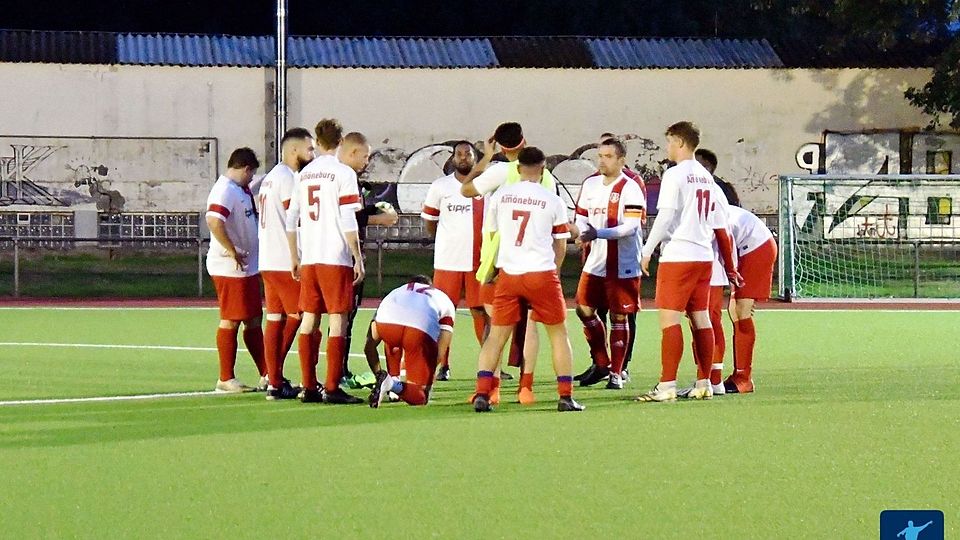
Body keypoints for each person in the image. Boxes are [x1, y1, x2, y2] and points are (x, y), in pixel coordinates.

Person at [472, 147, 583, 413]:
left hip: (509, 273)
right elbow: (561, 243)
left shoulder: (501, 196)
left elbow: (490, 235)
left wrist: (492, 267)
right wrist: (554, 271)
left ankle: (482, 394)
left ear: (518, 168)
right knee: (558, 334)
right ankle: (565, 396)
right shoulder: (551, 200)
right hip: (541, 273)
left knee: (496, 336)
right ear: (542, 169)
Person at [636, 122, 741, 402]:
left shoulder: (675, 174)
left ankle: (666, 384)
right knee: (701, 317)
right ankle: (703, 382)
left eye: (670, 142)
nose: (667, 148)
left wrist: (647, 249)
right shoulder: (709, 180)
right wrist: (730, 268)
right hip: (704, 258)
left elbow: (666, 215)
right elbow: (721, 228)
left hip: (679, 256)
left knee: (669, 319)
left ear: (680, 143)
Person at [461, 122, 563, 404]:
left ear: (501, 146)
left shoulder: (499, 171)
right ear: (524, 141)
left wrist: (483, 157)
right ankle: (526, 388)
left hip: (501, 260)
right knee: (531, 326)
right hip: (539, 262)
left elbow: (466, 190)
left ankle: (490, 389)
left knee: (497, 328)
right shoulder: (546, 177)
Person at [286, 124, 369, 404]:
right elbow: (348, 219)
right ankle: (332, 386)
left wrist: (295, 257)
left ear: (317, 141)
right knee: (338, 319)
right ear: (341, 141)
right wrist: (357, 256)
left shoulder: (304, 174)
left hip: (310, 256)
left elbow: (292, 219)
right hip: (335, 256)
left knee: (309, 318)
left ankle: (309, 386)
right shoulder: (344, 173)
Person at [573, 138, 645, 390]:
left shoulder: (630, 187)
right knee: (583, 308)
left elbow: (631, 226)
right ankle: (602, 362)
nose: (602, 160)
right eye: (600, 156)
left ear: (621, 160)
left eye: (608, 156)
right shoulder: (591, 183)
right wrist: (581, 231)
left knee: (619, 316)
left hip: (623, 263)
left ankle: (617, 372)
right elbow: (581, 216)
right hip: (595, 260)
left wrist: (599, 234)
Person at [421, 141, 490, 381]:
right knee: (443, 313)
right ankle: (443, 364)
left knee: (480, 311)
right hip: (448, 261)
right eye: (458, 154)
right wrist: (442, 238)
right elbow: (430, 220)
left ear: (474, 157)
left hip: (477, 262)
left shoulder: (485, 186)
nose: (463, 158)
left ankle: (489, 364)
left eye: (467, 154)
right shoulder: (441, 186)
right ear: (452, 159)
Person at [255, 128, 315, 400]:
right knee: (300, 316)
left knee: (275, 319)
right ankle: (277, 377)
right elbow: (296, 220)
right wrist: (299, 255)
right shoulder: (289, 178)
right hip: (284, 258)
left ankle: (274, 379)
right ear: (294, 151)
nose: (312, 154)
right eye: (309, 149)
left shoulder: (270, 178)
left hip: (268, 258)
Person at [205, 147, 267, 393]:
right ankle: (225, 377)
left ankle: (267, 373)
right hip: (230, 267)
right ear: (245, 169)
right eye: (251, 175)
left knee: (253, 319)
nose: (251, 179)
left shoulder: (239, 189)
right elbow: (213, 220)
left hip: (246, 266)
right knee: (231, 320)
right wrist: (230, 249)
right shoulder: (224, 190)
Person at [364, 275, 456, 407]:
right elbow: (440, 351)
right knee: (420, 397)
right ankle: (391, 383)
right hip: (418, 329)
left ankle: (390, 380)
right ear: (430, 286)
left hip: (387, 324)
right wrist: (427, 381)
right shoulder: (442, 298)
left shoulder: (396, 292)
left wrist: (378, 374)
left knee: (392, 340)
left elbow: (369, 347)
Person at [724, 205, 777, 394]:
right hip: (744, 249)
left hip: (756, 248)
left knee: (740, 309)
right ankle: (739, 374)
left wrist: (731, 274)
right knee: (734, 311)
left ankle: (744, 378)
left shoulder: (716, 214)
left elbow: (726, 243)